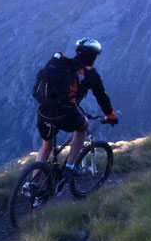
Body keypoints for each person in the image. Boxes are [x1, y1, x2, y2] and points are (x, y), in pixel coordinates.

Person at [35, 38, 117, 177]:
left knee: (46, 146)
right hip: (64, 114)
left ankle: (33, 185)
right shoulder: (90, 73)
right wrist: (111, 116)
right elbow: (102, 97)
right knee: (83, 126)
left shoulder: (62, 65)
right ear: (93, 56)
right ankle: (70, 167)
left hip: (43, 111)